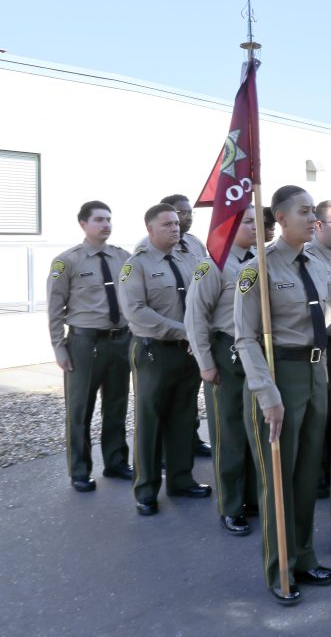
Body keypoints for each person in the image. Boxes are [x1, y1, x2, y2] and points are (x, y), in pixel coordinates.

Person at [234, 186, 331, 604]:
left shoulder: (319, 262)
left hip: (316, 374)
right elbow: (244, 338)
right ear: (280, 217)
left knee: (307, 476)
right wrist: (266, 393)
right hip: (280, 378)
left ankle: (304, 556)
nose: (313, 219)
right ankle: (280, 570)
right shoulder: (257, 270)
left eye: (315, 211)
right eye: (304, 211)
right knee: (278, 478)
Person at [118, 204, 210, 516]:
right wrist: (184, 330)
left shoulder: (191, 258)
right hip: (155, 350)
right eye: (167, 224)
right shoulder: (136, 265)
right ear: (150, 230)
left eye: (176, 223)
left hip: (189, 351)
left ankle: (182, 480)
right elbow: (136, 311)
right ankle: (146, 490)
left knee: (184, 416)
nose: (176, 228)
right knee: (150, 419)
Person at [184, 204, 258, 535]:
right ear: (228, 225)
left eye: (258, 220)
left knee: (256, 428)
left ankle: (254, 497)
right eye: (248, 221)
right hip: (227, 354)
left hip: (257, 352)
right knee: (229, 433)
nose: (256, 226)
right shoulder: (212, 264)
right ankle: (231, 504)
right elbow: (195, 317)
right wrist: (205, 363)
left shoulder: (262, 260)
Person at [47, 200, 132, 492]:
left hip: (120, 340)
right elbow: (55, 308)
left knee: (117, 404)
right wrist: (59, 346)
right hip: (85, 343)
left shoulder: (123, 257)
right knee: (81, 408)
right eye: (99, 220)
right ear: (83, 224)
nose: (106, 224)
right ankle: (80, 470)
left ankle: (116, 461)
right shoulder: (66, 261)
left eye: (109, 219)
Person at [305, 200, 331, 498]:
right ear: (318, 225)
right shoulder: (306, 258)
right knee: (319, 415)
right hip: (320, 347)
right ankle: (317, 474)